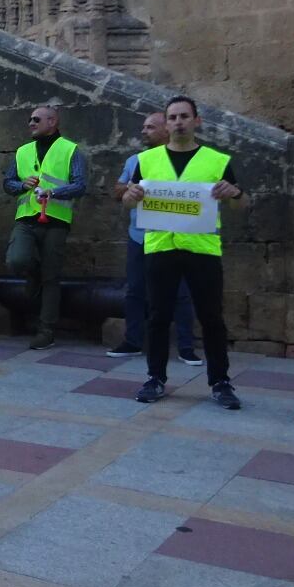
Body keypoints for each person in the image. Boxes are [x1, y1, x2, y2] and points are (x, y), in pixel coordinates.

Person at [120, 95, 244, 410]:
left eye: (184, 116)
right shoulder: (146, 161)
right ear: (167, 122)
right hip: (161, 248)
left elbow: (243, 203)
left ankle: (220, 381)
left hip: (202, 249)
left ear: (196, 121)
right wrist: (130, 195)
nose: (178, 122)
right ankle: (155, 377)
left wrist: (236, 193)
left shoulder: (217, 160)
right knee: (158, 316)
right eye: (173, 117)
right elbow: (128, 200)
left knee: (212, 317)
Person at [110, 112, 200, 364]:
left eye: (150, 127)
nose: (143, 131)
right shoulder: (135, 160)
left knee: (181, 293)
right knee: (135, 291)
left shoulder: (184, 161)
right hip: (140, 237)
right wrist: (130, 188)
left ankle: (185, 346)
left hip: (176, 238)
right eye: (143, 127)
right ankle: (133, 341)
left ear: (165, 130)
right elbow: (117, 190)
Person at [3, 105, 89, 349]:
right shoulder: (22, 151)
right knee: (16, 260)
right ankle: (32, 275)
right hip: (26, 218)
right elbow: (7, 183)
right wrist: (21, 185)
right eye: (30, 119)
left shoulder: (70, 150)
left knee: (51, 277)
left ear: (52, 122)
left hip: (56, 221)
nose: (31, 123)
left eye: (36, 119)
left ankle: (46, 329)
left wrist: (56, 192)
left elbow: (80, 185)